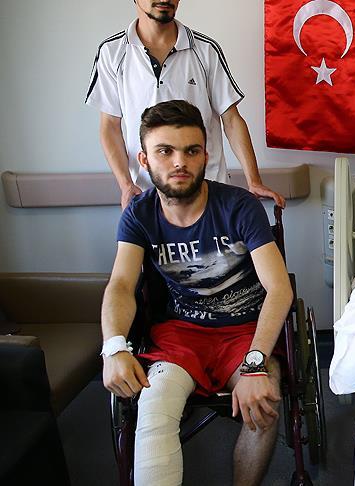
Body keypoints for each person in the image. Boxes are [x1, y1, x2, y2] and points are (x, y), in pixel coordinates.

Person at [100, 100, 293, 485]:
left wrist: (256, 363)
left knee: (264, 399)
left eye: (191, 151)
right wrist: (115, 347)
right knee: (154, 408)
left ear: (205, 155)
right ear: (144, 159)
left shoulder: (239, 206)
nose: (179, 162)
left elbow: (279, 288)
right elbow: (120, 285)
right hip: (181, 333)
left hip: (245, 331)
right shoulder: (139, 214)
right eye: (165, 151)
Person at [85, 0, 284, 209]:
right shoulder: (112, 52)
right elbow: (110, 126)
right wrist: (126, 184)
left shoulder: (206, 49)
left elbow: (232, 120)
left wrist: (254, 180)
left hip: (208, 193)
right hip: (149, 196)